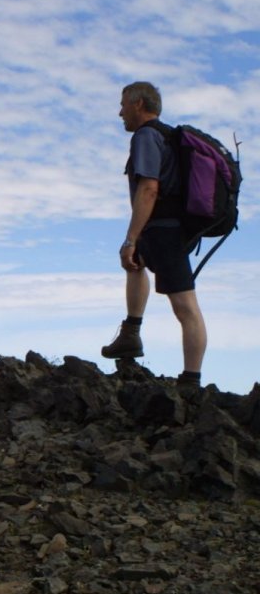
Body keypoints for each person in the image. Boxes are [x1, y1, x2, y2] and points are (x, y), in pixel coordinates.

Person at [101, 81, 207, 387]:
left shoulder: (147, 136)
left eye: (123, 105)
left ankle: (191, 381)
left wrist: (130, 237)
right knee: (134, 264)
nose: (120, 112)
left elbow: (148, 189)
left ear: (137, 104)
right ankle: (131, 335)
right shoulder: (166, 136)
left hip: (165, 229)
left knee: (186, 307)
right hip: (161, 228)